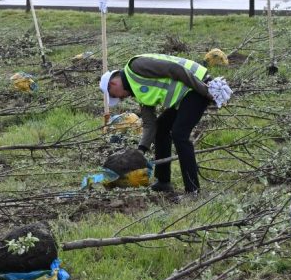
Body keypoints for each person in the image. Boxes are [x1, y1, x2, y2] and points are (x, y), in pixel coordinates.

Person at [100, 54, 233, 194]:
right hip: (185, 95)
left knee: (179, 134)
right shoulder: (137, 91)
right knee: (161, 128)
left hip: (196, 83)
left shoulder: (136, 66)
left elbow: (175, 69)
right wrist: (141, 150)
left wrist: (204, 90)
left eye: (114, 96)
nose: (120, 99)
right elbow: (150, 124)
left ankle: (193, 190)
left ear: (112, 84)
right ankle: (163, 182)